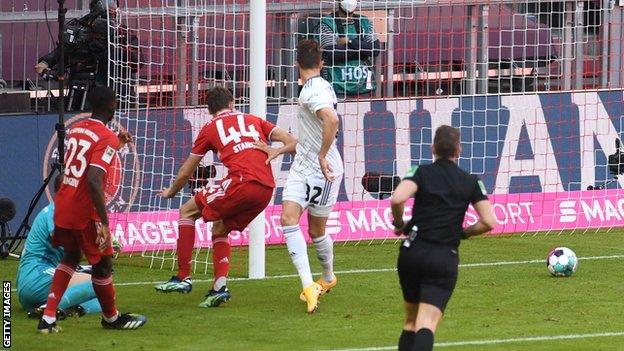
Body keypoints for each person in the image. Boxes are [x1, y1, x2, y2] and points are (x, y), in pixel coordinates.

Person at [155, 86, 297, 308]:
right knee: (220, 228)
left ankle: (183, 277)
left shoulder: (210, 128)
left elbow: (186, 171)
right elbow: (293, 141)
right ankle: (219, 289)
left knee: (186, 211)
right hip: (266, 189)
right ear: (232, 103)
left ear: (209, 109)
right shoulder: (254, 119)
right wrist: (277, 151)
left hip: (242, 183)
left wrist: (171, 192)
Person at [37, 86, 145, 333]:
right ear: (111, 106)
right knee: (103, 264)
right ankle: (111, 318)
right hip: (84, 211)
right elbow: (94, 179)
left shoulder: (77, 129)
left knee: (71, 256)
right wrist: (105, 223)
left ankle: (49, 317)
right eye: (115, 101)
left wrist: (117, 143)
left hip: (63, 203)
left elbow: (83, 159)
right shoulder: (105, 135)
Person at [390, 125, 497, 351]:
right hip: (443, 256)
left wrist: (400, 224)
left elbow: (397, 198)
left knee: (410, 321)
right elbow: (489, 221)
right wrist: (463, 233)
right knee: (426, 323)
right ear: (458, 150)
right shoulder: (470, 181)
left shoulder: (420, 172)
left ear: (433, 149)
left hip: (412, 252)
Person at [277, 39, 343, 314]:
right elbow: (309, 136)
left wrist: (322, 154)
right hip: (301, 168)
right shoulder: (319, 86)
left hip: (323, 171)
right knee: (288, 219)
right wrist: (279, 148)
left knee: (316, 231)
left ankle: (327, 279)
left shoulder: (311, 92)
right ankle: (309, 287)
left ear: (296, 65)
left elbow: (332, 120)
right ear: (321, 63)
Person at [17, 175, 103, 318]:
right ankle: (49, 308)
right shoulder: (55, 212)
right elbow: (71, 246)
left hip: (33, 284)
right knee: (98, 282)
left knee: (105, 295)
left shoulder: (58, 211)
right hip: (37, 276)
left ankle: (75, 309)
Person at [35, 0, 139, 111]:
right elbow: (64, 50)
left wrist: (111, 47)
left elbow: (136, 64)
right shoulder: (80, 29)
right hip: (83, 90)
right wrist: (46, 62)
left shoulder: (123, 33)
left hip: (116, 91)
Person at [319, 0, 380, 97]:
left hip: (364, 87)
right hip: (336, 89)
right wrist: (362, 49)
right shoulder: (326, 23)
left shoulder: (365, 21)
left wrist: (349, 42)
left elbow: (375, 50)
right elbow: (333, 54)